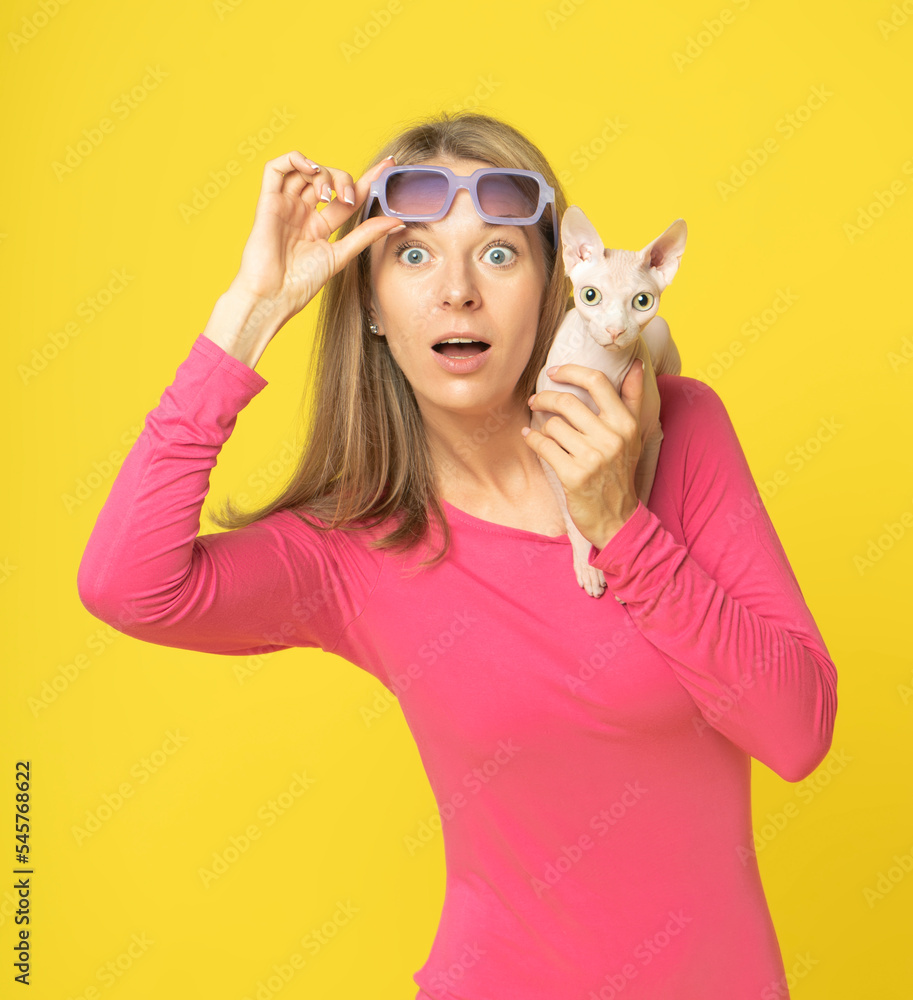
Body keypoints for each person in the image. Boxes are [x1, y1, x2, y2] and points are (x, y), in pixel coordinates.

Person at [77, 110, 838, 999]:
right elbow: (126, 587)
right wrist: (248, 316)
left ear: (557, 284)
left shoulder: (675, 429)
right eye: (412, 255)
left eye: (500, 254)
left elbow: (795, 733)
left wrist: (621, 524)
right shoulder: (354, 549)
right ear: (369, 304)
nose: (457, 291)